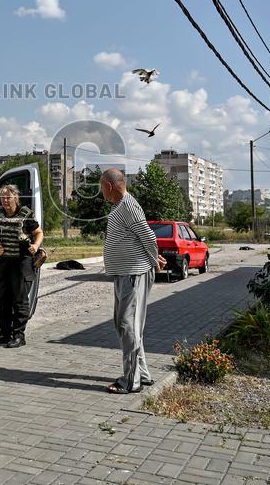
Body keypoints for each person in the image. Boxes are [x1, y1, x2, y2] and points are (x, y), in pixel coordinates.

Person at [99, 169, 166, 394]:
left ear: (109, 186)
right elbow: (138, 237)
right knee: (125, 325)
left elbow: (148, 235)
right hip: (124, 273)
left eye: (101, 186)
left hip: (134, 274)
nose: (100, 191)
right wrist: (153, 256)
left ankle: (131, 381)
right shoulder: (121, 206)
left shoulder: (128, 205)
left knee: (128, 326)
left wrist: (154, 260)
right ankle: (143, 375)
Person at [0, 184, 43, 348]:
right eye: (2, 197)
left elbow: (39, 233)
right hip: (3, 261)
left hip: (21, 261)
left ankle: (19, 335)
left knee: (19, 299)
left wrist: (36, 246)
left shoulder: (26, 214)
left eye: (8, 197)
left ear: (15, 197)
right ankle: (5, 333)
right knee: (2, 297)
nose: (4, 200)